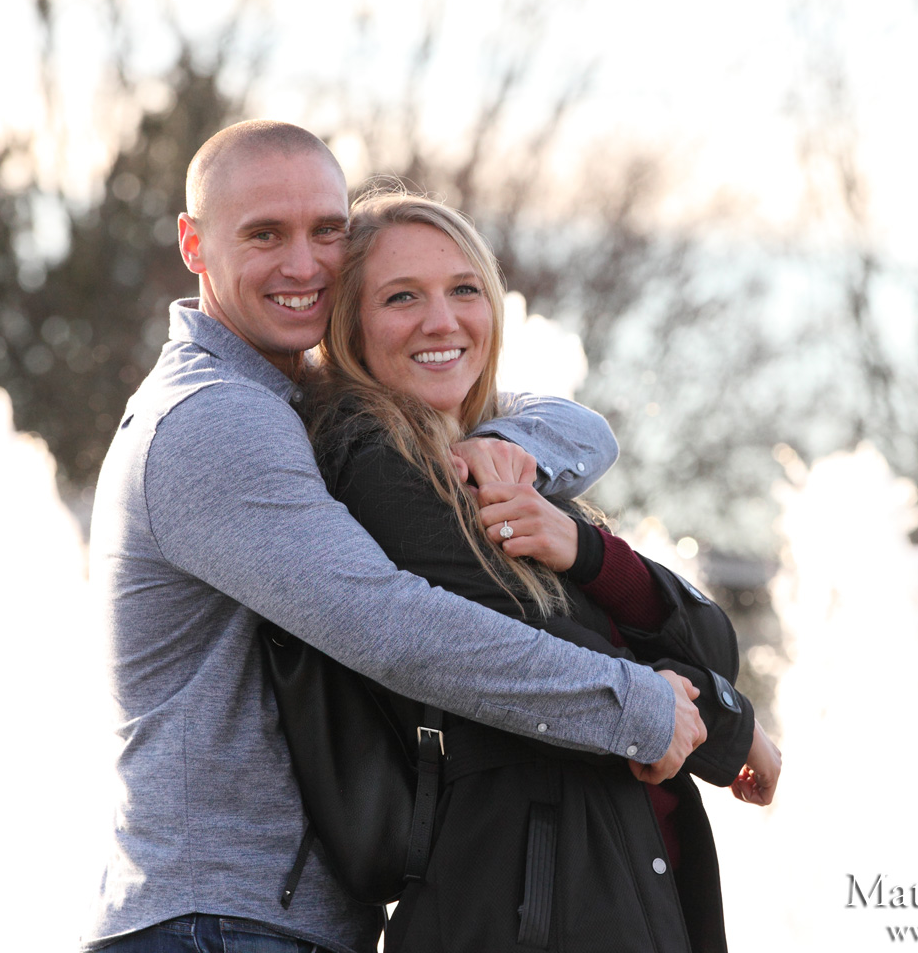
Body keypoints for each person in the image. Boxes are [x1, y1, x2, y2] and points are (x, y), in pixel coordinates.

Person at [84, 120, 708, 953]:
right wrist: (640, 707)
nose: (304, 264)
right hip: (222, 923)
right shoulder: (216, 421)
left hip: (262, 920)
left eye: (327, 231)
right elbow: (395, 628)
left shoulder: (289, 397)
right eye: (265, 234)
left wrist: (504, 450)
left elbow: (575, 422)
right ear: (194, 245)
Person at [303, 189, 783, 952]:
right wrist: (730, 725)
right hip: (521, 906)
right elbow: (540, 653)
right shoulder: (374, 468)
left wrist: (583, 548)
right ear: (351, 326)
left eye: (464, 289)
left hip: (604, 881)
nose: (442, 320)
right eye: (401, 297)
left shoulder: (496, 465)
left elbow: (712, 643)